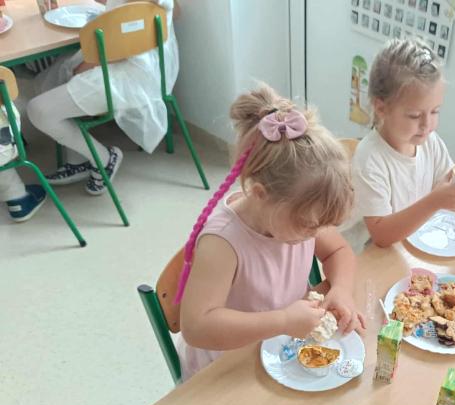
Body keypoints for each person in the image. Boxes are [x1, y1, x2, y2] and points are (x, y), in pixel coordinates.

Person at [174, 84, 363, 380]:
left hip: (279, 347)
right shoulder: (223, 242)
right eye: (309, 225)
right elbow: (197, 327)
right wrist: (283, 320)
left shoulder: (299, 217)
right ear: (262, 195)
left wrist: (341, 289)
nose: (315, 233)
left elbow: (339, 251)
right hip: (225, 368)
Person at [340, 39, 455, 252]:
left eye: (435, 111)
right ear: (381, 108)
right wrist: (435, 201)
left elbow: (446, 181)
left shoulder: (429, 141)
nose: (427, 124)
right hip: (369, 258)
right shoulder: (370, 158)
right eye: (414, 115)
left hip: (408, 247)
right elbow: (381, 235)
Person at [27, 0, 179, 195]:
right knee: (55, 75)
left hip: (126, 78)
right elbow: (176, 12)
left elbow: (119, 51)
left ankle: (105, 158)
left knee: (39, 109)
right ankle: (79, 159)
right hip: (151, 71)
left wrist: (78, 70)